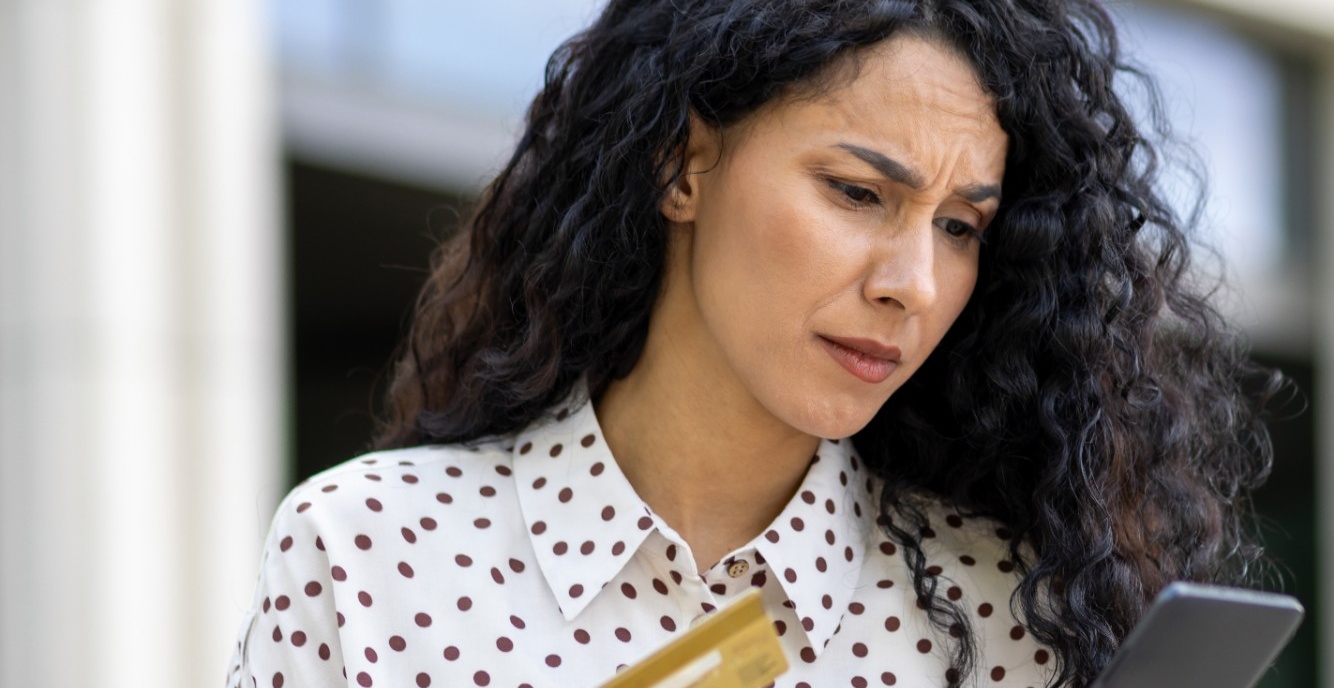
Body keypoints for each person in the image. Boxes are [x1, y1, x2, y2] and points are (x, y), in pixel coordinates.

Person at [225, 1, 1280, 686]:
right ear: (684, 167)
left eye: (960, 227)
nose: (910, 283)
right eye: (859, 193)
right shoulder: (373, 550)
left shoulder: (1006, 613)